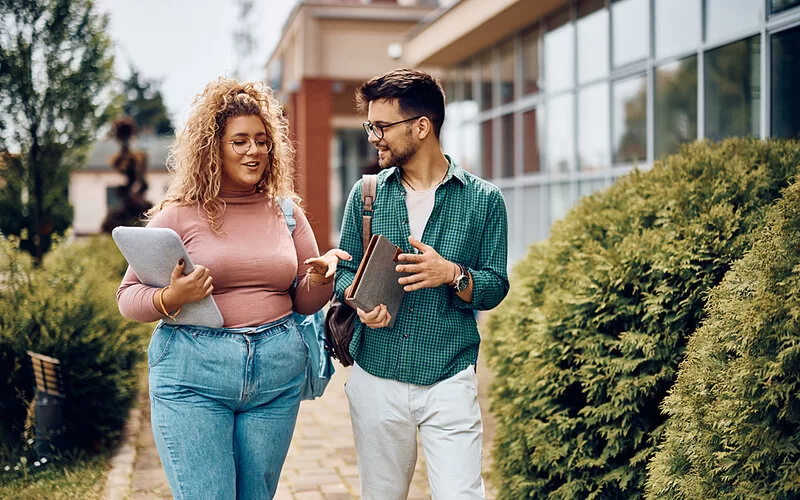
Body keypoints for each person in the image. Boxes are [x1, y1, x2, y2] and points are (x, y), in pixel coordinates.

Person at [117, 78, 349, 499]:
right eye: (240, 141)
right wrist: (172, 297)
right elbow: (128, 297)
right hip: (193, 372)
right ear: (214, 147)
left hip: (276, 373)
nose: (254, 151)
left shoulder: (287, 212)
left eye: (262, 141)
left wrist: (319, 280)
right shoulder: (179, 215)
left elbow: (304, 300)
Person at [334, 68, 510, 499]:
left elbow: (495, 286)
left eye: (382, 126)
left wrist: (452, 274)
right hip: (377, 376)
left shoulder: (484, 200)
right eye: (370, 125)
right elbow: (344, 271)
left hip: (449, 377)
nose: (374, 136)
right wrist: (359, 305)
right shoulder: (367, 194)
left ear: (422, 126)